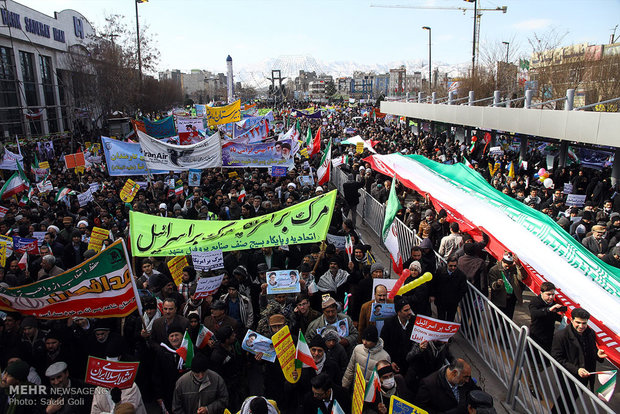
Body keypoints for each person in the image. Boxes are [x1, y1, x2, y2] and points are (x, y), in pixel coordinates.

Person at [551, 308, 607, 414]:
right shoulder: (561, 336)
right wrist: (577, 370)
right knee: (566, 401)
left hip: (585, 375)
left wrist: (598, 355)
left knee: (570, 400)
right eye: (578, 322)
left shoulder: (590, 333)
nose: (581, 326)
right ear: (571, 320)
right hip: (568, 375)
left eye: (584, 323)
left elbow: (592, 351)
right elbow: (556, 357)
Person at [380, 296, 414, 376]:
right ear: (398, 312)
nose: (409, 312)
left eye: (409, 309)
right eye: (406, 310)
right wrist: (390, 362)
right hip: (396, 365)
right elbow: (384, 345)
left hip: (411, 366)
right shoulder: (389, 324)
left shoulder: (415, 322)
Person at [528, 282, 564, 353]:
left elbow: (554, 316)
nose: (551, 297)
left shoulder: (553, 303)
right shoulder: (535, 302)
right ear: (541, 293)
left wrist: (561, 317)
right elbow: (535, 313)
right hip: (536, 335)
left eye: (553, 294)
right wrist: (549, 309)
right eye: (548, 294)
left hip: (549, 335)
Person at [487, 252, 524, 319]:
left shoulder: (514, 269)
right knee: (495, 322)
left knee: (508, 323)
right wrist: (497, 284)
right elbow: (492, 285)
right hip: (499, 300)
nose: (507, 268)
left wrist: (519, 266)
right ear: (502, 262)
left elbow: (523, 277)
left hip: (511, 300)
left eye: (509, 266)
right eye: (506, 266)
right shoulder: (494, 270)